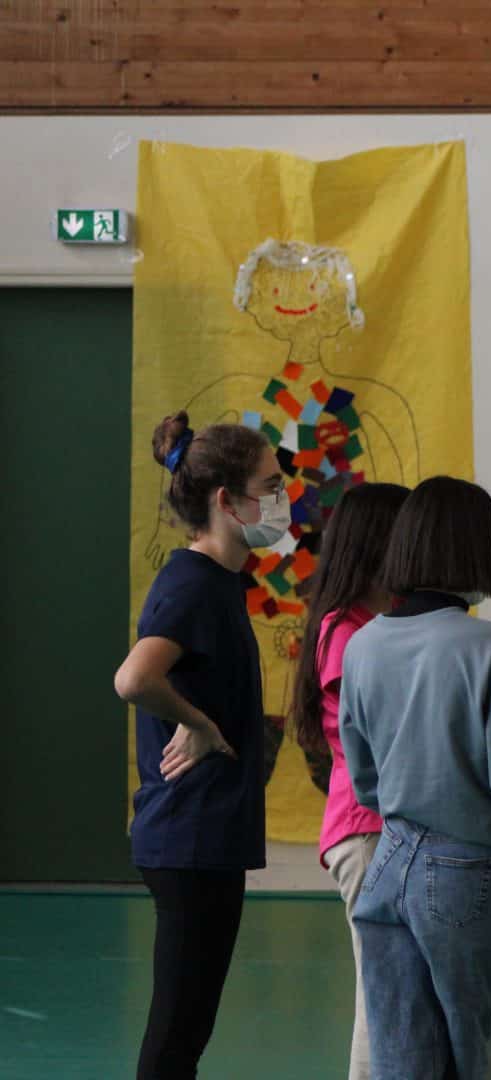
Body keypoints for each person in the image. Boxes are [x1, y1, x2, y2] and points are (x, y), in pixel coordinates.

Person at [288, 482, 491, 1080]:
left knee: (420, 1008)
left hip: (399, 831)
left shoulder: (379, 627)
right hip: (376, 831)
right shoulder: (351, 633)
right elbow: (383, 745)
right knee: (387, 1011)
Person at [340, 477, 491, 1079]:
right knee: (472, 1057)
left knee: (401, 1059)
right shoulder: (488, 647)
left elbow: (364, 779)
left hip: (389, 861)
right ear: (471, 549)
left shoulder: (362, 645)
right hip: (468, 870)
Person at [114, 412, 280, 1080]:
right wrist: (200, 724)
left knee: (188, 1032)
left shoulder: (220, 583)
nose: (282, 499)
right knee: (175, 1038)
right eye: (270, 486)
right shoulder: (191, 583)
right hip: (189, 835)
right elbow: (134, 679)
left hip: (208, 836)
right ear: (226, 500)